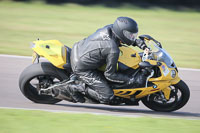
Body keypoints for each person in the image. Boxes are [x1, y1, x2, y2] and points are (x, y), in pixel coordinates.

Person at [69, 17, 149, 104]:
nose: (132, 37)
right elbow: (110, 75)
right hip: (81, 67)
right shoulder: (112, 49)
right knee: (107, 96)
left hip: (79, 47)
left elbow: (124, 38)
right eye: (130, 35)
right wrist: (131, 80)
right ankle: (75, 87)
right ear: (121, 32)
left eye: (133, 35)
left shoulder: (111, 28)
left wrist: (138, 43)